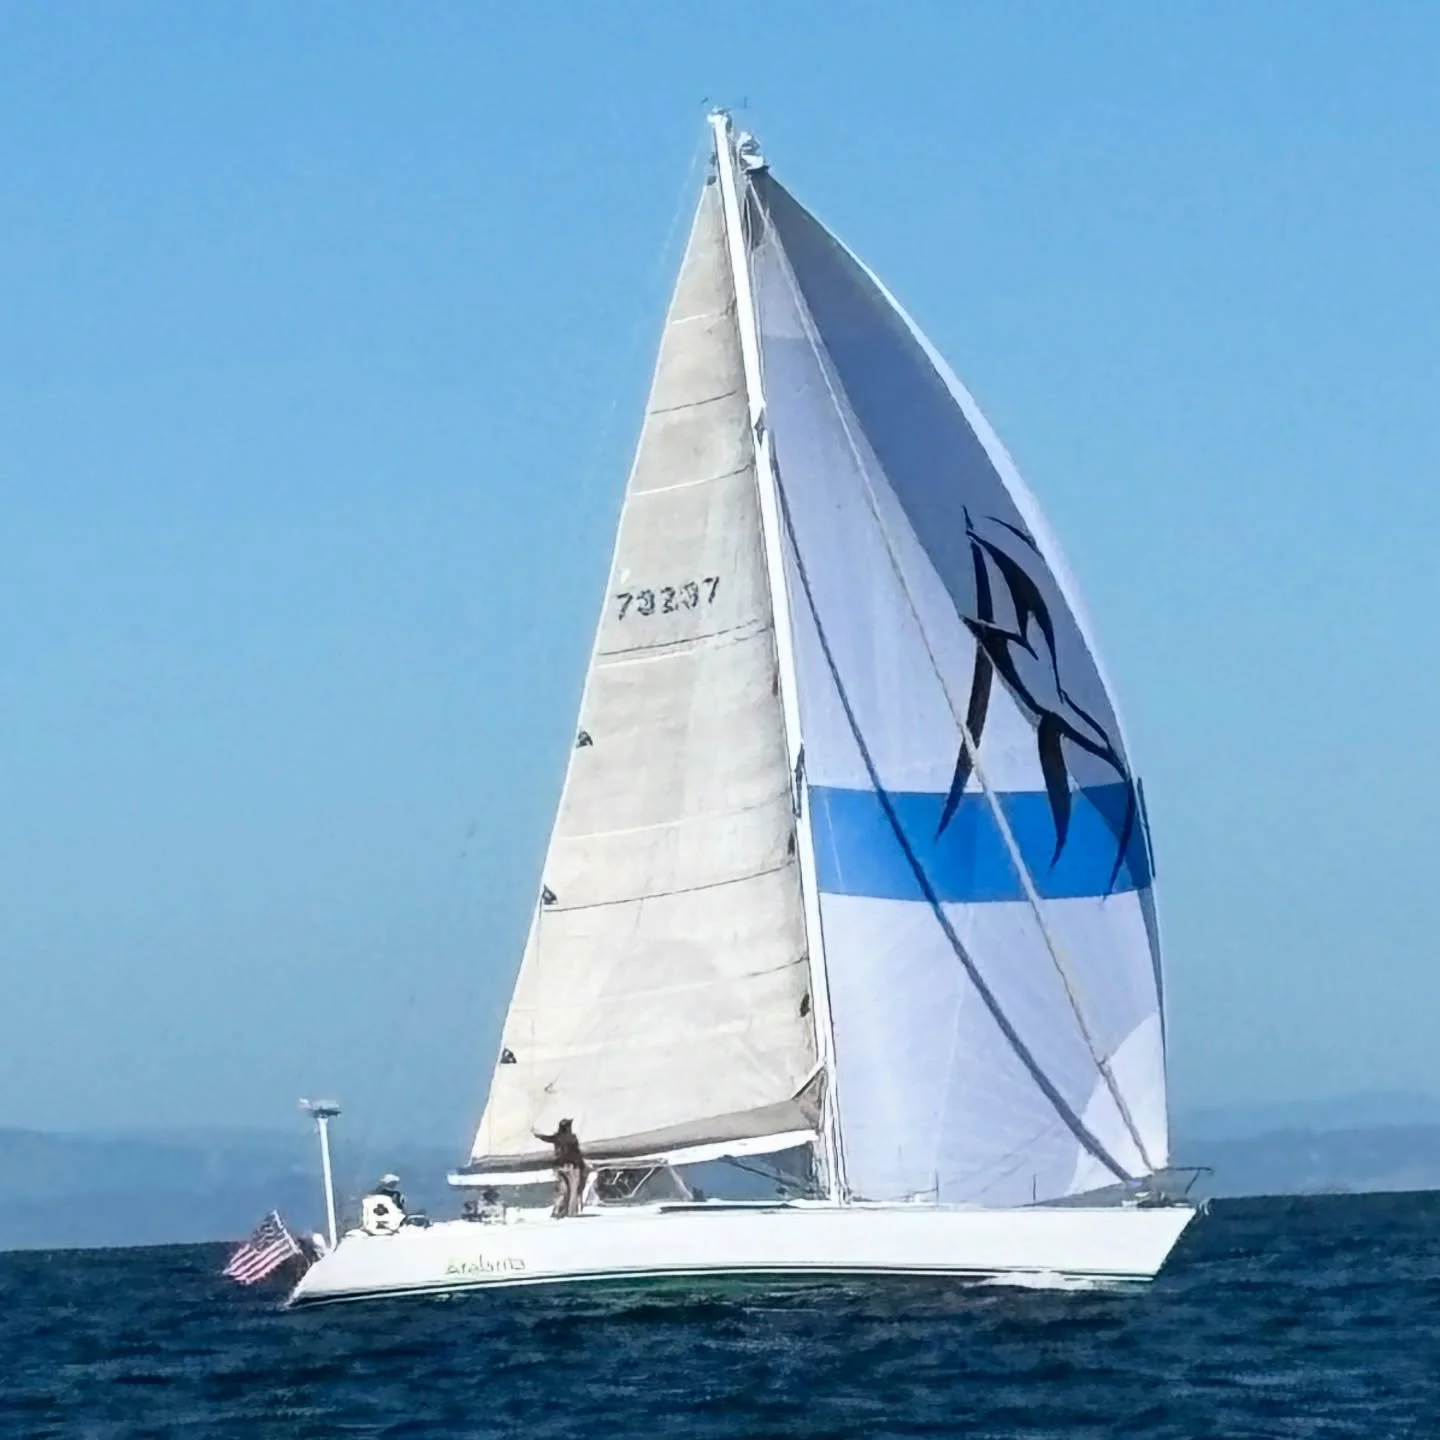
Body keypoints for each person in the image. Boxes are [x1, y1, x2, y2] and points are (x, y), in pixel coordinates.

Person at [533, 1118, 587, 1218]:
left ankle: (560, 1211)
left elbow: (548, 1138)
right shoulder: (571, 1138)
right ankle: (570, 1212)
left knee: (563, 1190)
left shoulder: (558, 1137)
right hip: (572, 1167)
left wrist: (538, 1135)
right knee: (573, 1191)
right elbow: (577, 1154)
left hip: (561, 1166)